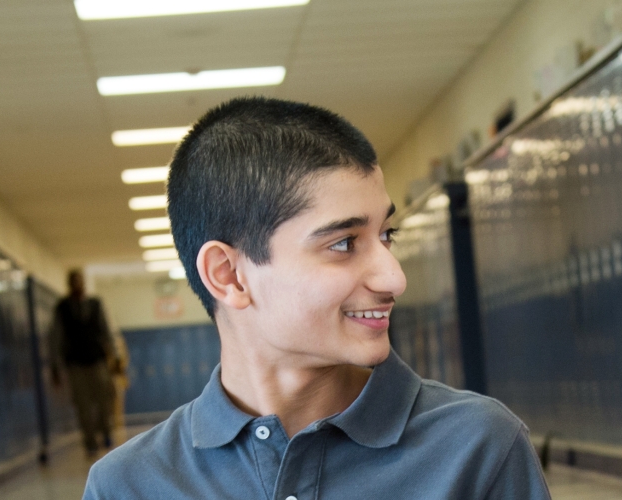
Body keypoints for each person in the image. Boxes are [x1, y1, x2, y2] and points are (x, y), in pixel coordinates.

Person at [85, 97, 548, 499]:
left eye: (387, 234)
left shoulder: (477, 447)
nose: (394, 277)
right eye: (343, 243)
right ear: (229, 277)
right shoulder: (127, 486)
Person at [52, 268, 124, 457]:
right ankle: (90, 442)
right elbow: (57, 338)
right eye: (73, 281)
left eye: (80, 281)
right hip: (75, 364)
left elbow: (106, 330)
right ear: (69, 285)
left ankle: (106, 433)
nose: (77, 285)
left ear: (83, 283)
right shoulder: (63, 308)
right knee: (82, 405)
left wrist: (116, 356)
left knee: (105, 400)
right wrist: (55, 366)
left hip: (98, 360)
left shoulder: (95, 304)